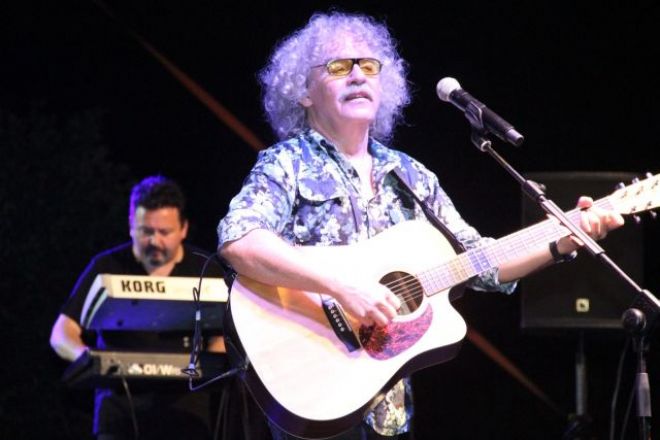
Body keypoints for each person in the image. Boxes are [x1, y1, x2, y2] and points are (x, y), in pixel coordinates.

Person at [216, 11, 624, 440]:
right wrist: (341, 287)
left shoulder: (411, 176)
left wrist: (564, 238)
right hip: (311, 382)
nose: (358, 75)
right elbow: (239, 241)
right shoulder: (286, 163)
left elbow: (481, 263)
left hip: (387, 406)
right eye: (338, 66)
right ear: (303, 91)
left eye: (368, 65)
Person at [50, 175, 226, 440]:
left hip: (187, 414)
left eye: (164, 232)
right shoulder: (106, 266)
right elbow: (61, 333)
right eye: (146, 231)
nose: (154, 241)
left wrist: (208, 365)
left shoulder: (205, 269)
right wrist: (93, 362)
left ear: (183, 229)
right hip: (119, 413)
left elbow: (223, 333)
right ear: (131, 225)